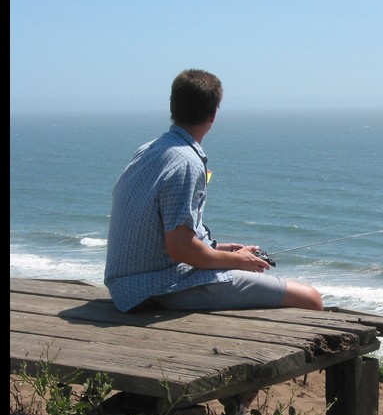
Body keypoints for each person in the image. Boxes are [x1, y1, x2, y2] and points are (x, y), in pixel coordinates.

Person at [104, 68, 323, 316]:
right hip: (160, 287)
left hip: (126, 285)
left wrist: (218, 250)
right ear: (214, 113)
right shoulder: (187, 162)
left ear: (173, 108)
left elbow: (166, 237)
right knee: (311, 299)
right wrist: (237, 260)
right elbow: (181, 249)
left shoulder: (149, 150)